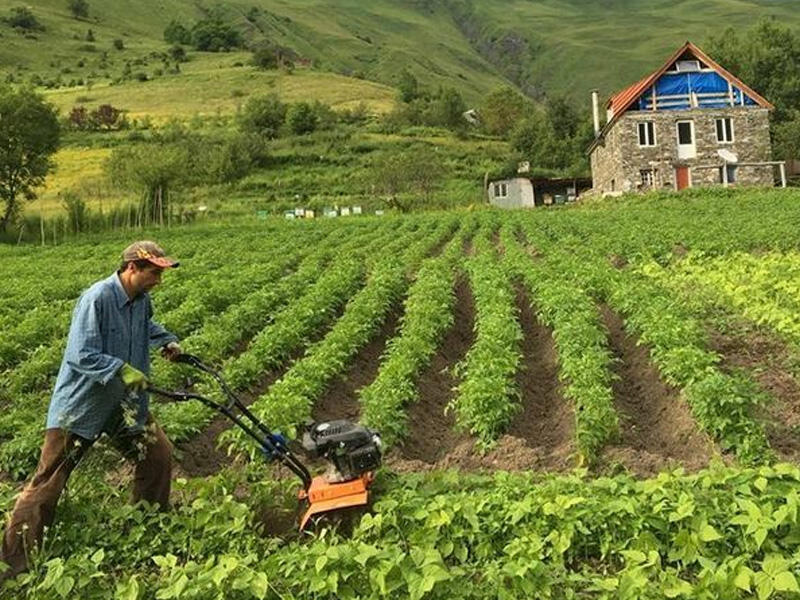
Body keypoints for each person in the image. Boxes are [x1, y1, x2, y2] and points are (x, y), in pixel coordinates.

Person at [0, 240, 182, 582]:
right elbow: (80, 353)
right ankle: (14, 565)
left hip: (124, 405)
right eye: (154, 272)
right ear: (132, 268)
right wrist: (122, 369)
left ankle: (147, 524)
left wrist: (167, 341)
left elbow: (148, 328)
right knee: (49, 481)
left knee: (157, 455)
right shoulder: (97, 298)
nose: (159, 279)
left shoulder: (142, 302)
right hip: (83, 405)